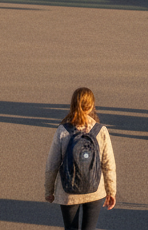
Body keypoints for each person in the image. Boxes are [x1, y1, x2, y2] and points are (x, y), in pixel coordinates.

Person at [43, 88, 117, 229]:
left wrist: (49, 191)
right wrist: (111, 191)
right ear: (91, 106)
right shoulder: (101, 131)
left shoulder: (63, 131)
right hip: (95, 190)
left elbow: (52, 164)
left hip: (68, 191)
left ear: (73, 104)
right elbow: (109, 165)